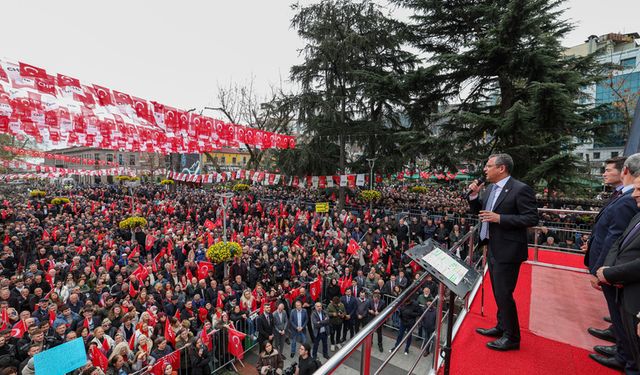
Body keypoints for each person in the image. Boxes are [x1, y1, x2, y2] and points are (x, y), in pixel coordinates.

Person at [468, 153, 538, 351]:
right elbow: (481, 212)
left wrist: (501, 219)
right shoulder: (490, 188)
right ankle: (502, 326)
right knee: (499, 292)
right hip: (493, 246)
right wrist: (474, 196)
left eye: (488, 166)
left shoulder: (520, 189)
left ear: (501, 168)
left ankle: (512, 337)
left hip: (509, 249)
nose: (485, 169)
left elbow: (531, 218)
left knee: (504, 293)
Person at [584, 155, 640, 372]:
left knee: (622, 316)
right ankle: (622, 350)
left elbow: (614, 235)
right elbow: (618, 239)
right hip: (610, 267)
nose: (605, 173)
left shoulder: (627, 199)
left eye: (608, 170)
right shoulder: (624, 197)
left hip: (618, 273)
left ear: (624, 170)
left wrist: (604, 270)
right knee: (618, 316)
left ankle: (625, 356)